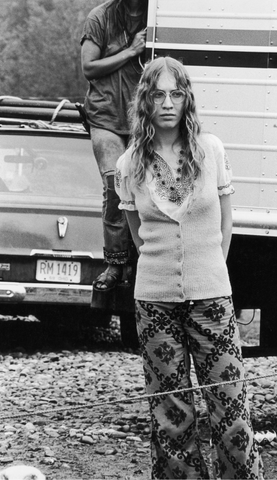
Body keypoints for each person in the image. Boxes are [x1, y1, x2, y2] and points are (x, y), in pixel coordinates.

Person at [115, 56, 264, 479]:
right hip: (154, 303)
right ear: (145, 100)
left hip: (212, 299)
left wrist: (212, 270)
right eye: (158, 94)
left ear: (187, 100)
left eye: (176, 93)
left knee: (230, 407)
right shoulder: (129, 165)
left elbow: (225, 223)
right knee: (170, 415)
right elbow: (138, 234)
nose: (167, 103)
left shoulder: (211, 150)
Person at [80, 0, 148, 291]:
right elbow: (89, 66)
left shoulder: (157, 13)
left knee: (144, 187)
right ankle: (115, 262)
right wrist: (131, 51)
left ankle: (142, 260)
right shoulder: (100, 17)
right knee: (114, 181)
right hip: (105, 116)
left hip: (141, 119)